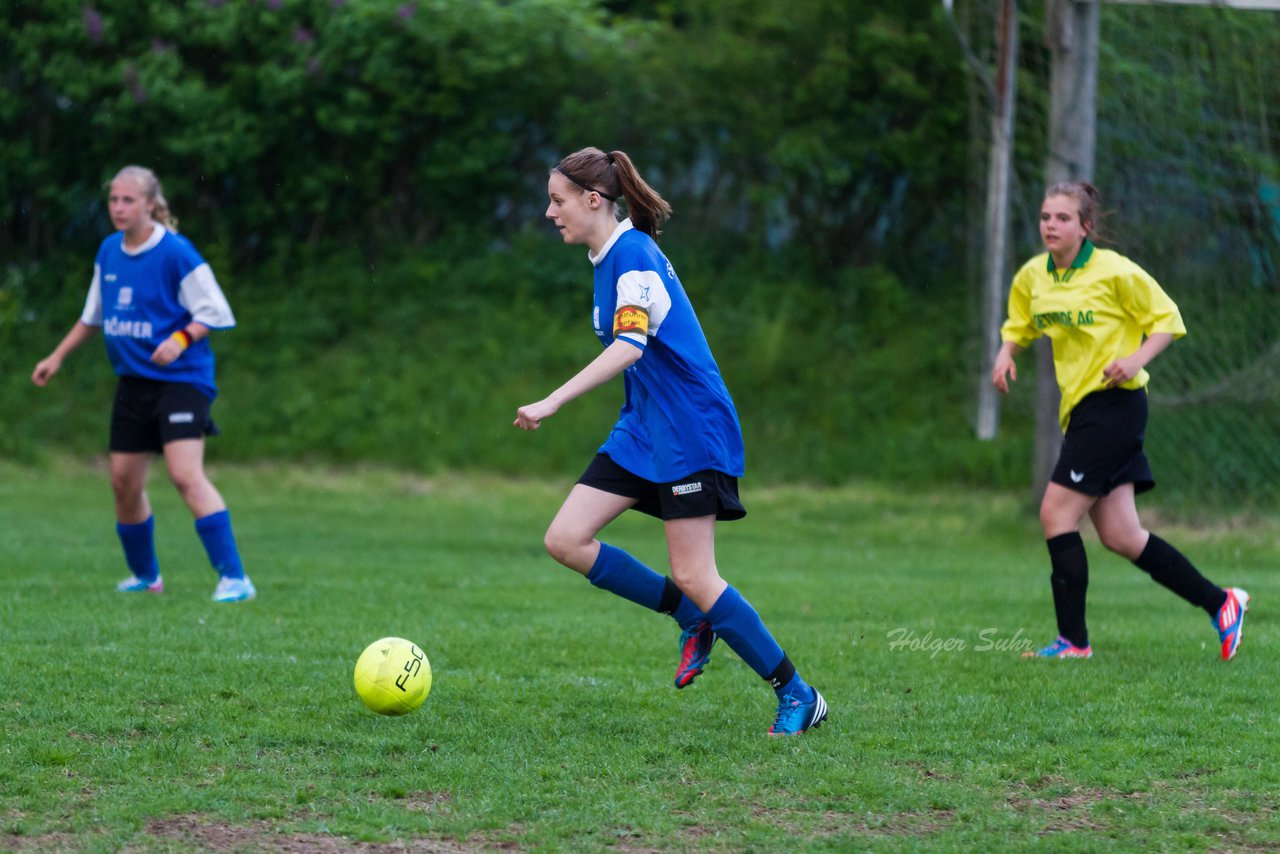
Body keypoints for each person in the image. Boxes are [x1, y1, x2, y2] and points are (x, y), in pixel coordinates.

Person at [514, 147, 827, 735]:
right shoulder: (606, 256)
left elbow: (630, 347)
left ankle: (799, 694)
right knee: (566, 538)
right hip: (645, 427)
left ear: (593, 200)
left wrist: (552, 400)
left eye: (557, 201)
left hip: (689, 428)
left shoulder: (632, 257)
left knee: (696, 573)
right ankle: (691, 617)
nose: (549, 212)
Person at [991, 180, 1247, 660]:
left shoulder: (1114, 271)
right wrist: (1007, 353)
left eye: (1063, 218)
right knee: (1122, 537)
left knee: (1056, 513)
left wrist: (1134, 360)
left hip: (1114, 405)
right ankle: (1222, 602)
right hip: (1082, 411)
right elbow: (1020, 323)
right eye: (1046, 217)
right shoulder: (1033, 276)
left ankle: (1073, 642)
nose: (1051, 225)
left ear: (1086, 227)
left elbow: (1167, 320)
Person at [32, 165, 255, 603]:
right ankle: (146, 576)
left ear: (150, 204)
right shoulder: (109, 252)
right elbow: (93, 316)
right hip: (134, 382)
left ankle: (235, 578)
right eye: (114, 199)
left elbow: (216, 311)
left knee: (184, 474)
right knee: (123, 482)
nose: (118, 207)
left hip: (182, 381)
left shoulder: (176, 253)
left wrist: (180, 337)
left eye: (128, 200)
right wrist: (57, 356)